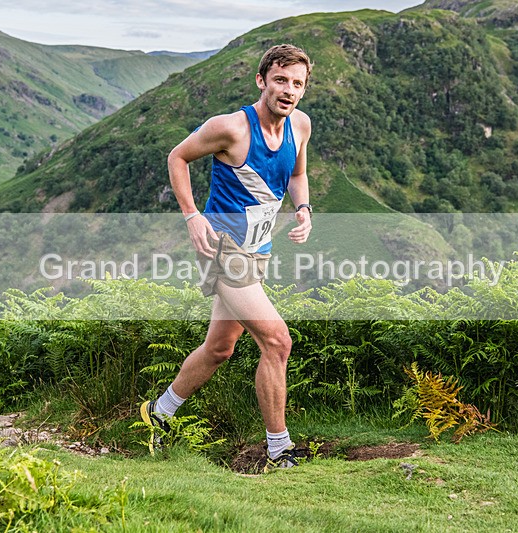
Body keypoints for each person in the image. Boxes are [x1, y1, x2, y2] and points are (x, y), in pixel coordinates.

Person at [140, 44, 313, 471]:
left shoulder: (300, 126)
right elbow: (177, 157)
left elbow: (297, 174)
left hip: (258, 250)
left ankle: (158, 412)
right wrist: (192, 216)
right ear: (261, 80)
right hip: (222, 249)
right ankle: (279, 449)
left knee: (220, 348)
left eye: (297, 84)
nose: (288, 91)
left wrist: (304, 208)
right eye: (280, 80)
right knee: (278, 341)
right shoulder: (231, 128)